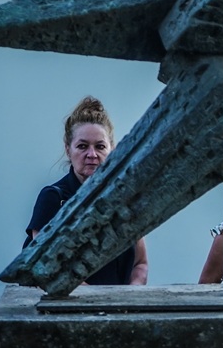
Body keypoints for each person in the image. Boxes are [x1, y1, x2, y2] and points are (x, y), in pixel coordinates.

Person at [25, 96, 148, 286]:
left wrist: (130, 297)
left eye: (100, 147)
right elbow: (47, 266)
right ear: (68, 149)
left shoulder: (125, 199)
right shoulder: (53, 198)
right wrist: (98, 303)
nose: (92, 155)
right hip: (64, 313)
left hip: (118, 311)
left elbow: (140, 264)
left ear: (112, 149)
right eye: (82, 146)